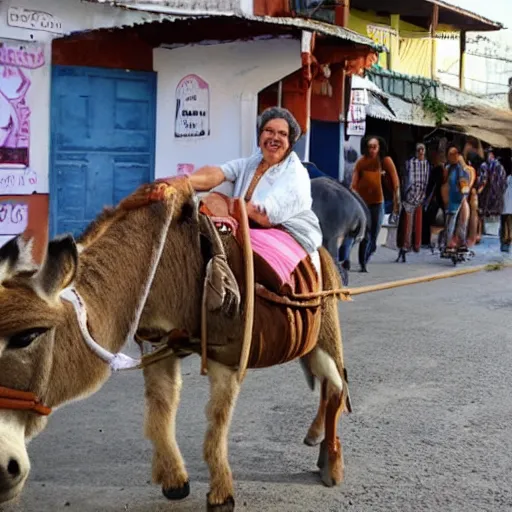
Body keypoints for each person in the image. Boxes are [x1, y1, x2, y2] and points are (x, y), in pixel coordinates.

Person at [188, 106, 322, 268]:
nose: (275, 137)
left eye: (282, 134)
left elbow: (266, 215)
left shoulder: (296, 174)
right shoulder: (252, 162)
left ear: (290, 143)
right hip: (245, 227)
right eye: (269, 131)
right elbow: (218, 173)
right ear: (260, 137)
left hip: (288, 233)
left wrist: (223, 204)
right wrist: (182, 183)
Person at [351, 136, 400, 272]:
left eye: (374, 147)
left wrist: (397, 202)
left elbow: (396, 182)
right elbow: (354, 183)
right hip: (363, 203)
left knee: (374, 235)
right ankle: (362, 263)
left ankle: (367, 256)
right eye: (369, 147)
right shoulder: (361, 162)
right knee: (365, 234)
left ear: (379, 148)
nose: (371, 150)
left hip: (378, 203)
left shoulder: (384, 161)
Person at [396, 143, 430, 262]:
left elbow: (426, 180)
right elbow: (406, 180)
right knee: (408, 224)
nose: (421, 152)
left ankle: (415, 246)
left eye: (422, 150)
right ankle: (405, 246)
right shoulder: (410, 163)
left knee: (418, 223)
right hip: (410, 197)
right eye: (419, 150)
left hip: (420, 197)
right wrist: (405, 195)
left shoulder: (426, 164)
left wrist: (425, 196)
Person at [441, 144, 471, 253]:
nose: (450, 157)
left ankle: (457, 244)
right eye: (449, 155)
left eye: (452, 154)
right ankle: (449, 244)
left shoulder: (460, 169)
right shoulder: (449, 168)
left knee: (458, 223)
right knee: (451, 223)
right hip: (451, 201)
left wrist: (463, 190)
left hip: (459, 200)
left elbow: (464, 183)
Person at [478, 148, 507, 218]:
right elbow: (504, 186)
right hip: (498, 203)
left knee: (485, 225)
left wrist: (477, 192)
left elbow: (483, 182)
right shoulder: (501, 167)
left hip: (487, 203)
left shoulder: (484, 165)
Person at [500, 168, 512, 253]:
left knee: (506, 222)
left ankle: (506, 242)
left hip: (507, 204)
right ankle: (506, 242)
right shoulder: (508, 178)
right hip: (507, 204)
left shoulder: (508, 178)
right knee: (506, 222)